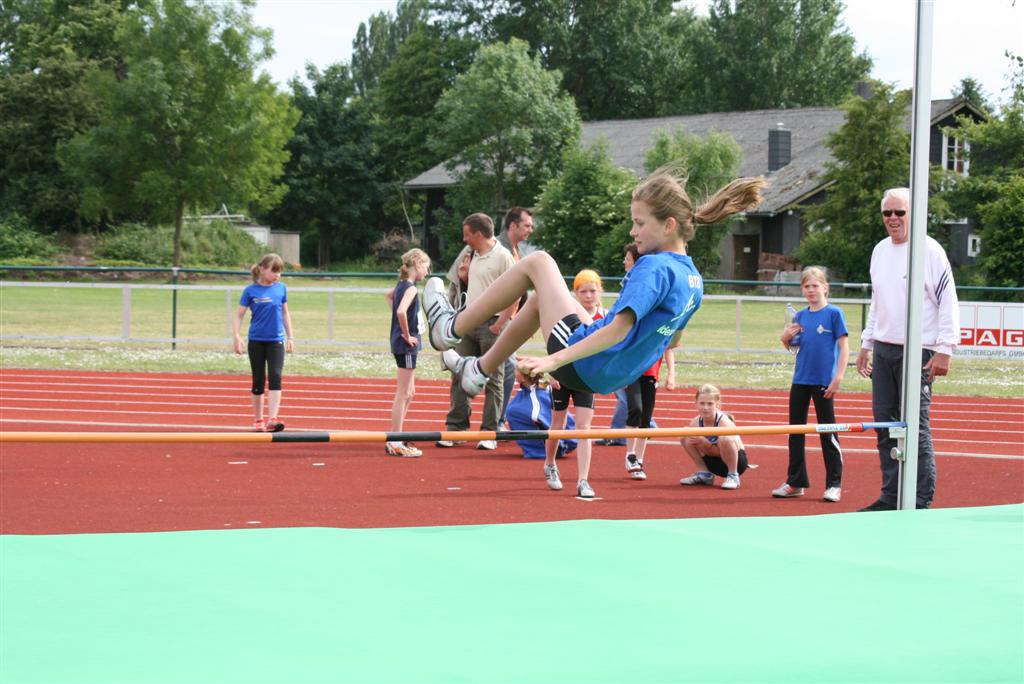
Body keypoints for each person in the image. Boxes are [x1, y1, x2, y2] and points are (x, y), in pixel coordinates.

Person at [425, 168, 767, 497]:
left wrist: (553, 360)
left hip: (586, 361)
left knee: (539, 262)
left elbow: (618, 329)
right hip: (610, 374)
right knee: (540, 299)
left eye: (639, 223)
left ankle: (450, 328)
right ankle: (479, 370)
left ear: (669, 225)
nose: (632, 232)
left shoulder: (654, 267)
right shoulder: (694, 280)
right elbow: (673, 338)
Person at [856, 187, 960, 511]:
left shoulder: (929, 250)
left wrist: (945, 348)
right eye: (887, 213)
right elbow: (877, 302)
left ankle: (919, 498)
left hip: (920, 351)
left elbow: (948, 300)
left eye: (899, 212)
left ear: (913, 214)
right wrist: (866, 342)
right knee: (885, 427)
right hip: (884, 349)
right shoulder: (879, 251)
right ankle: (891, 496)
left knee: (915, 427)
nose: (893, 218)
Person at [436, 213, 517, 451]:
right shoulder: (471, 254)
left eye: (467, 235)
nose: (464, 240)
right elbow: (472, 286)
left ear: (478, 234)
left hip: (492, 323)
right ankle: (456, 429)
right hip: (468, 321)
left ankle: (489, 432)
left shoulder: (503, 256)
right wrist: (464, 277)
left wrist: (499, 324)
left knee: (493, 378)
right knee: (459, 372)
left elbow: (516, 293)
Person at [772, 266, 849, 502]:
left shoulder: (834, 313)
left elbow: (844, 347)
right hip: (800, 379)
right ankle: (795, 481)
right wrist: (785, 339)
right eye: (806, 286)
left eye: (815, 285)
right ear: (802, 290)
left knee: (828, 432)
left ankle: (834, 484)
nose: (811, 290)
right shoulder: (800, 316)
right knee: (795, 432)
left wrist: (838, 377)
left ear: (825, 287)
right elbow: (795, 348)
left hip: (823, 380)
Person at [541, 269, 603, 496]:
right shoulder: (566, 312)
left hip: (585, 378)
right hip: (562, 374)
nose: (588, 296)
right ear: (575, 293)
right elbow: (553, 341)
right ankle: (550, 464)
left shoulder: (605, 317)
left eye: (592, 291)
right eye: (583, 291)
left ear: (600, 291)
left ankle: (583, 480)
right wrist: (549, 370)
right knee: (558, 422)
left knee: (584, 428)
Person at [619, 243, 678, 481]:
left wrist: (671, 373)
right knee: (635, 409)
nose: (624, 262)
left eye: (628, 259)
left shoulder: (658, 301)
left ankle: (639, 459)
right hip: (632, 367)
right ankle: (630, 455)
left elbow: (668, 342)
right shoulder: (631, 292)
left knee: (646, 416)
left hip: (651, 369)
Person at [232, 253, 294, 432]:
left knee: (275, 376)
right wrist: (236, 335)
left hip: (276, 341)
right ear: (262, 269)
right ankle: (258, 420)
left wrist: (290, 337)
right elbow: (239, 315)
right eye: (274, 271)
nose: (277, 275)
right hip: (256, 341)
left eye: (280, 272)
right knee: (258, 380)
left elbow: (285, 313)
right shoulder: (250, 291)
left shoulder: (281, 289)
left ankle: (272, 419)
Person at [386, 248, 432, 458]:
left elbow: (389, 296)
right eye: (426, 267)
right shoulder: (410, 288)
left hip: (406, 343)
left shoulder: (401, 285)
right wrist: (405, 333)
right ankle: (394, 440)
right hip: (406, 344)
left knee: (410, 392)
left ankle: (398, 436)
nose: (427, 272)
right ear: (418, 264)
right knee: (403, 393)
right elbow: (401, 311)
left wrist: (400, 326)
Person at [496, 208, 535, 430]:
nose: (531, 229)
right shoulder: (498, 249)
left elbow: (520, 288)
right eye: (527, 225)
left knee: (506, 369)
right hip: (495, 321)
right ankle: (495, 421)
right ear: (513, 225)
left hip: (508, 320)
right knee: (507, 368)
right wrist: (499, 322)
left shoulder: (514, 249)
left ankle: (497, 420)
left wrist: (523, 319)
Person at [679, 384, 751, 490]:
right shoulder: (695, 422)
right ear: (696, 403)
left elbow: (720, 451)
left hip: (735, 463)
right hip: (713, 463)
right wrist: (702, 443)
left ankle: (733, 476)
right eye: (702, 403)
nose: (705, 408)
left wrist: (704, 443)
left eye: (710, 404)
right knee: (685, 435)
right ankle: (705, 474)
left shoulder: (724, 421)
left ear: (717, 404)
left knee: (725, 437)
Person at [505, 367, 577, 460]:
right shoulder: (541, 388)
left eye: (517, 370)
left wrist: (562, 444)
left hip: (558, 445)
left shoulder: (535, 398)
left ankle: (543, 450)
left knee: (513, 412)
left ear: (523, 377)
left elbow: (546, 421)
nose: (514, 371)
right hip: (567, 438)